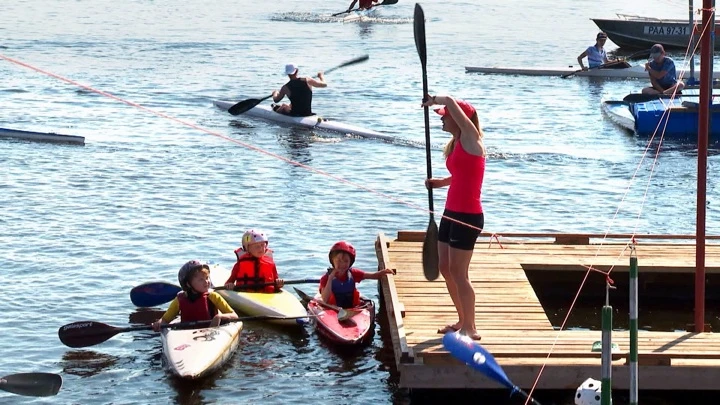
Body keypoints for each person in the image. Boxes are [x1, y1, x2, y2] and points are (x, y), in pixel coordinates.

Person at [421, 95, 486, 341]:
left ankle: (471, 328)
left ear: (459, 119)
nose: (442, 120)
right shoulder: (457, 144)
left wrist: (434, 100)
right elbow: (463, 174)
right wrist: (440, 183)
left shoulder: (471, 139)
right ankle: (462, 320)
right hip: (450, 212)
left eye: (445, 116)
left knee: (460, 273)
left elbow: (449, 100)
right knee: (445, 268)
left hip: (468, 216)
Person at [152, 260, 238, 331]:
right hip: (187, 334)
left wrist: (219, 317)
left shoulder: (213, 296)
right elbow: (165, 320)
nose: (206, 282)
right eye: (201, 279)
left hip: (211, 332)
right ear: (188, 284)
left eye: (207, 278)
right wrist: (159, 323)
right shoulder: (180, 299)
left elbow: (234, 316)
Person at [319, 241, 393, 308]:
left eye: (346, 261)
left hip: (351, 309)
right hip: (332, 309)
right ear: (332, 261)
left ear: (350, 262)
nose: (342, 264)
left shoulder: (353, 273)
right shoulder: (326, 278)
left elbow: (372, 276)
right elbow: (325, 300)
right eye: (338, 260)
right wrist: (330, 278)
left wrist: (383, 272)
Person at [224, 229, 284, 293]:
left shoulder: (270, 263)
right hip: (245, 295)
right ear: (247, 248)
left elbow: (276, 283)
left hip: (267, 296)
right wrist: (229, 285)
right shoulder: (240, 264)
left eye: (262, 245)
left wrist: (279, 284)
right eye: (256, 246)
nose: (260, 249)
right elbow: (229, 282)